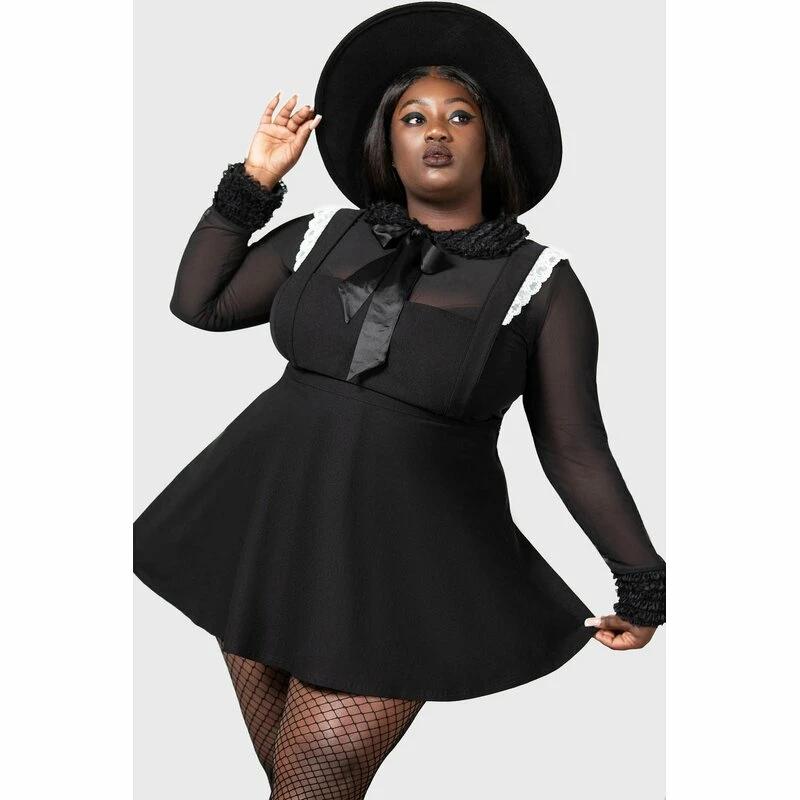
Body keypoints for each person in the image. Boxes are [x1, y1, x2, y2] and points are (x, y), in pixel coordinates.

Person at [134, 3, 666, 797]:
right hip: (267, 525)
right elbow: (199, 303)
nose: (436, 131)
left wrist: (642, 581)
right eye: (413, 117)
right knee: (291, 779)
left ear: (491, 140)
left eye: (460, 116)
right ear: (388, 141)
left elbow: (574, 447)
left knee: (315, 776)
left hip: (403, 566)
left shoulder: (542, 284)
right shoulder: (322, 234)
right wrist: (256, 179)